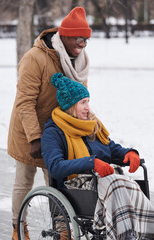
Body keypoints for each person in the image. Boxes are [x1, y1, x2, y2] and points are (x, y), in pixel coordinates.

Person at [7, 6, 92, 240]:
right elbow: (24, 102)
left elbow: (79, 98)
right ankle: (18, 226)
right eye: (79, 38)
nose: (83, 44)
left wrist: (90, 124)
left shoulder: (79, 62)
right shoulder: (35, 58)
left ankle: (63, 229)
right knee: (24, 179)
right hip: (28, 129)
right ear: (63, 36)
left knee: (57, 180)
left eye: (86, 39)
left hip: (57, 131)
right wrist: (35, 138)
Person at [41, 72, 154, 240]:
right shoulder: (54, 132)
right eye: (83, 103)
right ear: (71, 105)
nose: (88, 107)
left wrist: (128, 153)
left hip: (103, 179)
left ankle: (147, 231)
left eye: (88, 102)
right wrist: (91, 163)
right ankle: (124, 235)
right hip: (75, 185)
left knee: (127, 183)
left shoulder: (90, 125)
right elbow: (56, 167)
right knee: (115, 183)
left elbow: (110, 148)